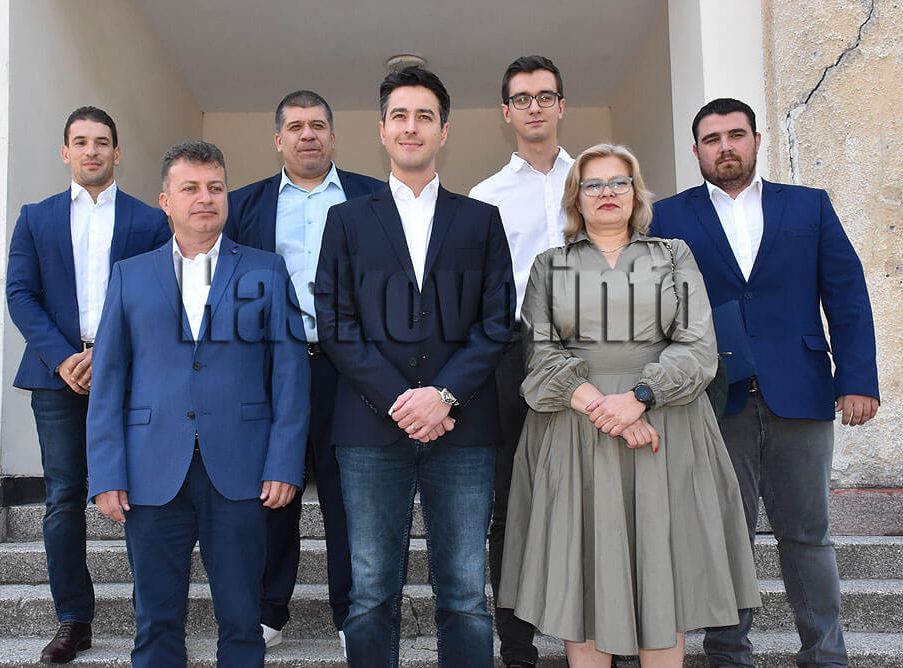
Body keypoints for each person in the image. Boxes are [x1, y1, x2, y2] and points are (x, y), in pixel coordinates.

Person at [499, 143, 761, 668]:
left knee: (662, 577)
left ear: (636, 194)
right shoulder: (550, 265)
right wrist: (608, 410)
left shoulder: (673, 255)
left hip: (667, 427)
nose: (607, 193)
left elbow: (697, 345)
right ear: (576, 198)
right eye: (593, 184)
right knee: (584, 578)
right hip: (575, 431)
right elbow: (539, 353)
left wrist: (641, 399)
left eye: (619, 182)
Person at [651, 98, 880, 668]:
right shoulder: (666, 217)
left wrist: (857, 379)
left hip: (801, 391)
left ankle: (825, 656)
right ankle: (729, 655)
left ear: (756, 140)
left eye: (735, 135)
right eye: (712, 139)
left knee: (808, 534)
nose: (724, 147)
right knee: (726, 535)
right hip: (712, 398)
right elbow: (652, 312)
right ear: (696, 150)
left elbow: (847, 294)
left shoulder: (808, 206)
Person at [314, 66, 514, 667]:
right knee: (371, 593)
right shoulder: (347, 220)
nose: (411, 127)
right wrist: (403, 400)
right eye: (399, 115)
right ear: (381, 130)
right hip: (369, 430)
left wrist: (443, 395)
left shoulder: (480, 219)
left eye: (424, 116)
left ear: (443, 131)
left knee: (466, 595)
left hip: (464, 429)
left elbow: (496, 322)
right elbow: (336, 323)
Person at [86, 140, 309, 668]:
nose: (205, 198)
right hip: (150, 470)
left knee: (242, 619)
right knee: (155, 622)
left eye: (215, 188)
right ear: (166, 201)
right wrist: (106, 472)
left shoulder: (266, 270)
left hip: (241, 467)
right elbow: (109, 379)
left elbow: (291, 374)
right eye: (190, 188)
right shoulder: (130, 274)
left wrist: (285, 463)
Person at [6, 106, 170, 664]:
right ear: (65, 152)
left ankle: (153, 617)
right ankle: (73, 619)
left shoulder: (148, 221)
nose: (92, 151)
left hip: (129, 375)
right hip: (56, 378)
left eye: (102, 142)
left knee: (142, 495)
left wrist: (108, 355)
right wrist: (63, 360)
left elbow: (159, 296)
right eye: (81, 142)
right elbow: (20, 294)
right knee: (63, 498)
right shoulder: (36, 218)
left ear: (117, 152)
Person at [223, 90, 383, 651]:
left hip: (352, 369)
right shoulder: (243, 206)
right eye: (295, 127)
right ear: (278, 140)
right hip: (274, 368)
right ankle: (268, 610)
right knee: (274, 486)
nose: (307, 135)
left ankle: (352, 613)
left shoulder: (374, 197)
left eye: (317, 125)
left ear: (333, 137)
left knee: (350, 494)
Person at [468, 54, 572, 668]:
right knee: (511, 505)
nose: (535, 107)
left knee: (601, 501)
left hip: (596, 355)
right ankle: (517, 647)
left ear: (561, 106)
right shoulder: (486, 198)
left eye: (545, 96)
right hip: (515, 356)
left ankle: (610, 639)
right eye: (522, 98)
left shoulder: (596, 180)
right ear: (506, 112)